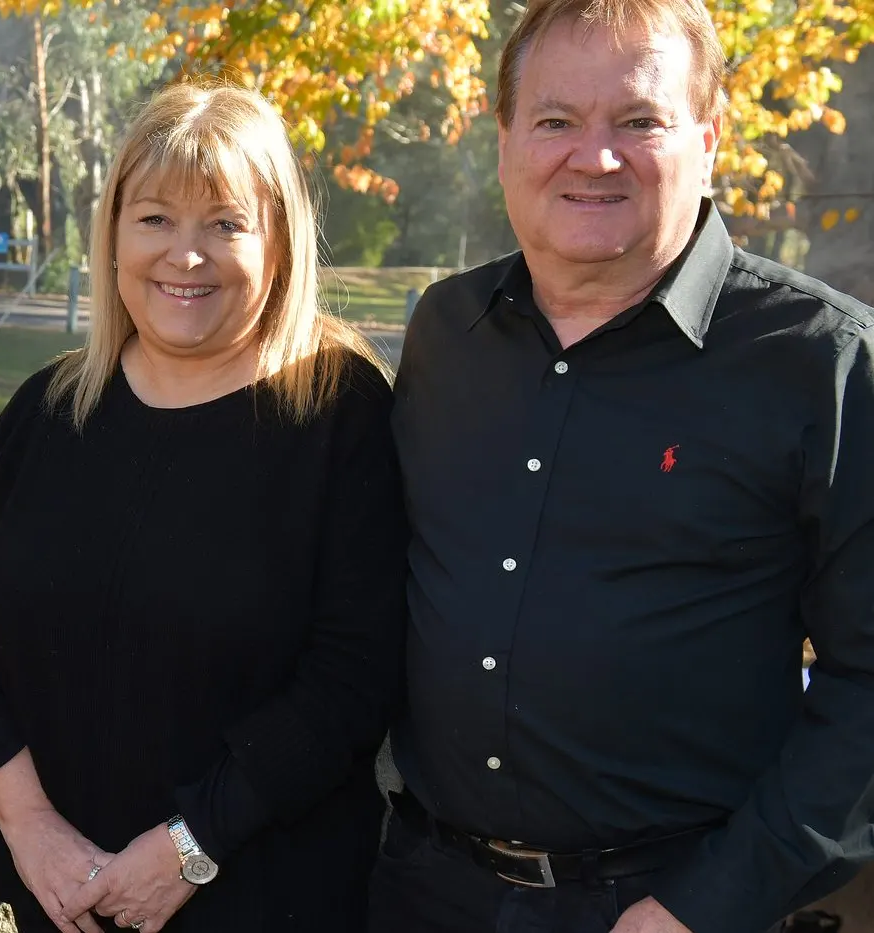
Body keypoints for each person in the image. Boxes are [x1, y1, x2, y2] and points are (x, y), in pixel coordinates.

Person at [374, 0, 874, 931]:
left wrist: (709, 904)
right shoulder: (447, 331)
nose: (593, 156)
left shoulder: (823, 361)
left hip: (670, 905)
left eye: (639, 120)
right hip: (418, 889)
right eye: (555, 120)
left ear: (710, 137)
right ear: (506, 139)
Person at [0, 80, 407, 933]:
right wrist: (28, 824)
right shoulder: (49, 411)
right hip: (62, 898)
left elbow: (354, 677)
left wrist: (193, 844)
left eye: (226, 223)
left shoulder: (338, 412)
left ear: (280, 244)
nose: (186, 255)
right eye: (154, 218)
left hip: (267, 901)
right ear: (113, 231)